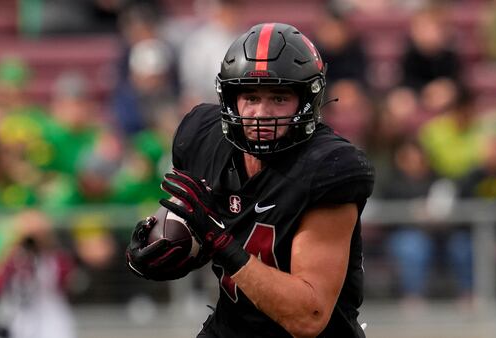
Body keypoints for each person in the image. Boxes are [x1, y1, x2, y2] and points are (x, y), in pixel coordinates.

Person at [126, 23, 375, 337]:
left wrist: (219, 242)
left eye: (279, 98)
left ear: (307, 100)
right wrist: (158, 251)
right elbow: (189, 222)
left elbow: (308, 316)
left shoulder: (329, 166)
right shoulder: (202, 137)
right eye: (250, 97)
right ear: (229, 98)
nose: (261, 113)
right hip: (232, 327)